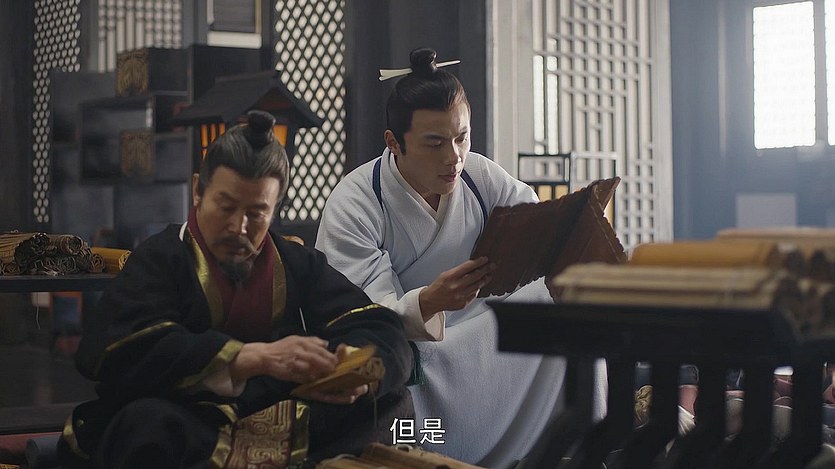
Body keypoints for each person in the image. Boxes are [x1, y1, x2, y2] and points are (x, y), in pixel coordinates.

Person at [58, 110, 415, 468]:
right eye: (225, 206)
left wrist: (350, 370)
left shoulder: (296, 262)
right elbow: (115, 350)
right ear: (198, 190)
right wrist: (249, 358)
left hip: (268, 415)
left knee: (389, 401)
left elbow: (378, 325)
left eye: (256, 213)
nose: (238, 227)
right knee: (147, 425)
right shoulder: (161, 258)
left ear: (274, 210)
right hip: (189, 417)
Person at [315, 48, 607, 467]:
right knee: (398, 364)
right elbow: (363, 320)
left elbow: (539, 227)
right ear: (394, 142)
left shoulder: (479, 176)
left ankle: (583, 445)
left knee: (562, 302)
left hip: (480, 324)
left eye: (462, 137)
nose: (453, 156)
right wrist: (429, 301)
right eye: (434, 143)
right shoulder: (357, 203)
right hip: (415, 351)